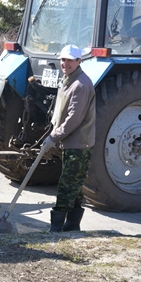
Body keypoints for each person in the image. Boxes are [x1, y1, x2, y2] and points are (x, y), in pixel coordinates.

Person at [43, 44, 96, 232]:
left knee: (67, 185)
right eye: (63, 60)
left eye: (70, 60)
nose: (65, 64)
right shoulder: (68, 80)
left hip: (79, 144)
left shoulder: (81, 85)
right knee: (74, 185)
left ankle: (55, 229)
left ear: (79, 61)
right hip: (70, 142)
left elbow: (74, 119)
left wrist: (53, 138)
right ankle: (72, 225)